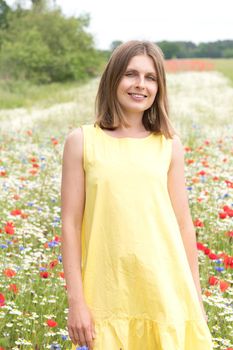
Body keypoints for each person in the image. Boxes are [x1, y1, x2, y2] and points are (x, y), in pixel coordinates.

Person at [61, 40, 213, 350]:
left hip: (166, 294)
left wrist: (195, 299)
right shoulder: (82, 142)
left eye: (150, 77)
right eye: (131, 74)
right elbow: (70, 224)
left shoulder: (168, 146)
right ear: (113, 78)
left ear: (159, 87)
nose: (140, 85)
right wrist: (76, 300)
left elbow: (184, 225)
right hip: (107, 297)